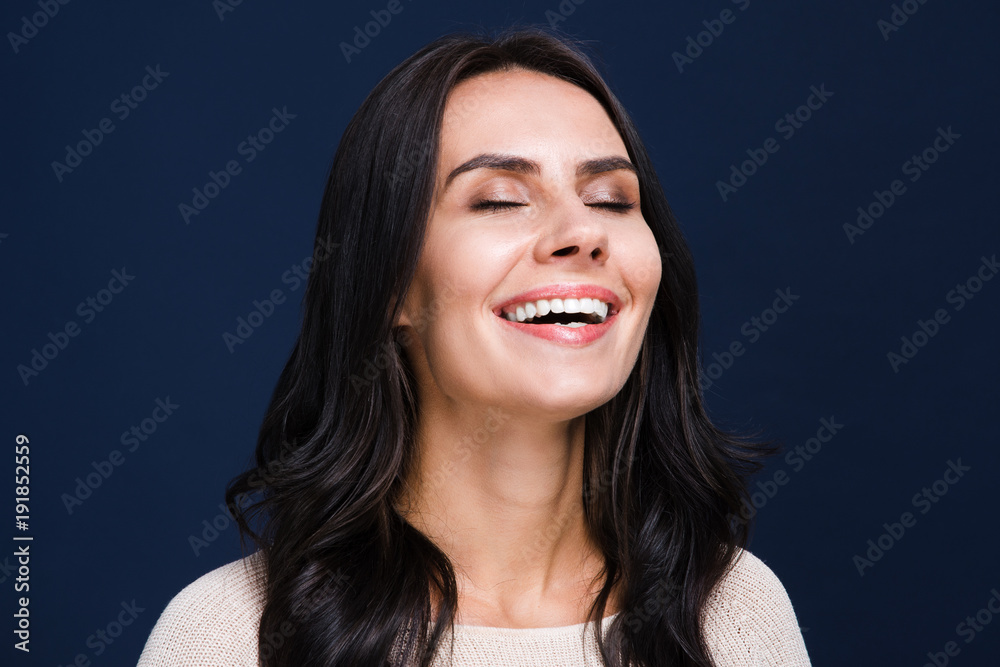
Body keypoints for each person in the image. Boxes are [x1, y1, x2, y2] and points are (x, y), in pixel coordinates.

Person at [137, 26, 811, 666]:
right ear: (389, 286)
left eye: (610, 198)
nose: (581, 231)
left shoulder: (734, 613)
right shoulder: (228, 635)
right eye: (499, 200)